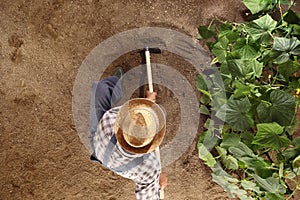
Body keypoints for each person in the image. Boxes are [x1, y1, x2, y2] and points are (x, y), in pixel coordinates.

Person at [89, 68, 168, 200]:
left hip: (98, 144)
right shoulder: (150, 166)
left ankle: (114, 86)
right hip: (115, 163)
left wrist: (146, 104)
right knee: (163, 113)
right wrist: (158, 185)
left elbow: (129, 110)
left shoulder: (109, 120)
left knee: (101, 89)